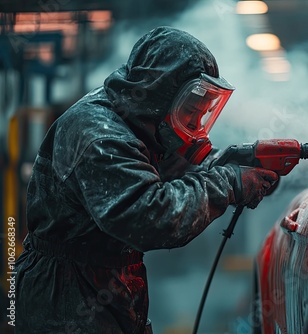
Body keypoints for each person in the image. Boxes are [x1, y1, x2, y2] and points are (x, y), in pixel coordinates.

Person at [15, 26, 278, 334]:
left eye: (202, 113)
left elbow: (178, 167)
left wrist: (229, 162)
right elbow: (150, 216)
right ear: (160, 94)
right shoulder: (98, 134)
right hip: (65, 297)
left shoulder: (141, 122)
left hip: (104, 283)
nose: (196, 125)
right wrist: (229, 183)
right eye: (191, 111)